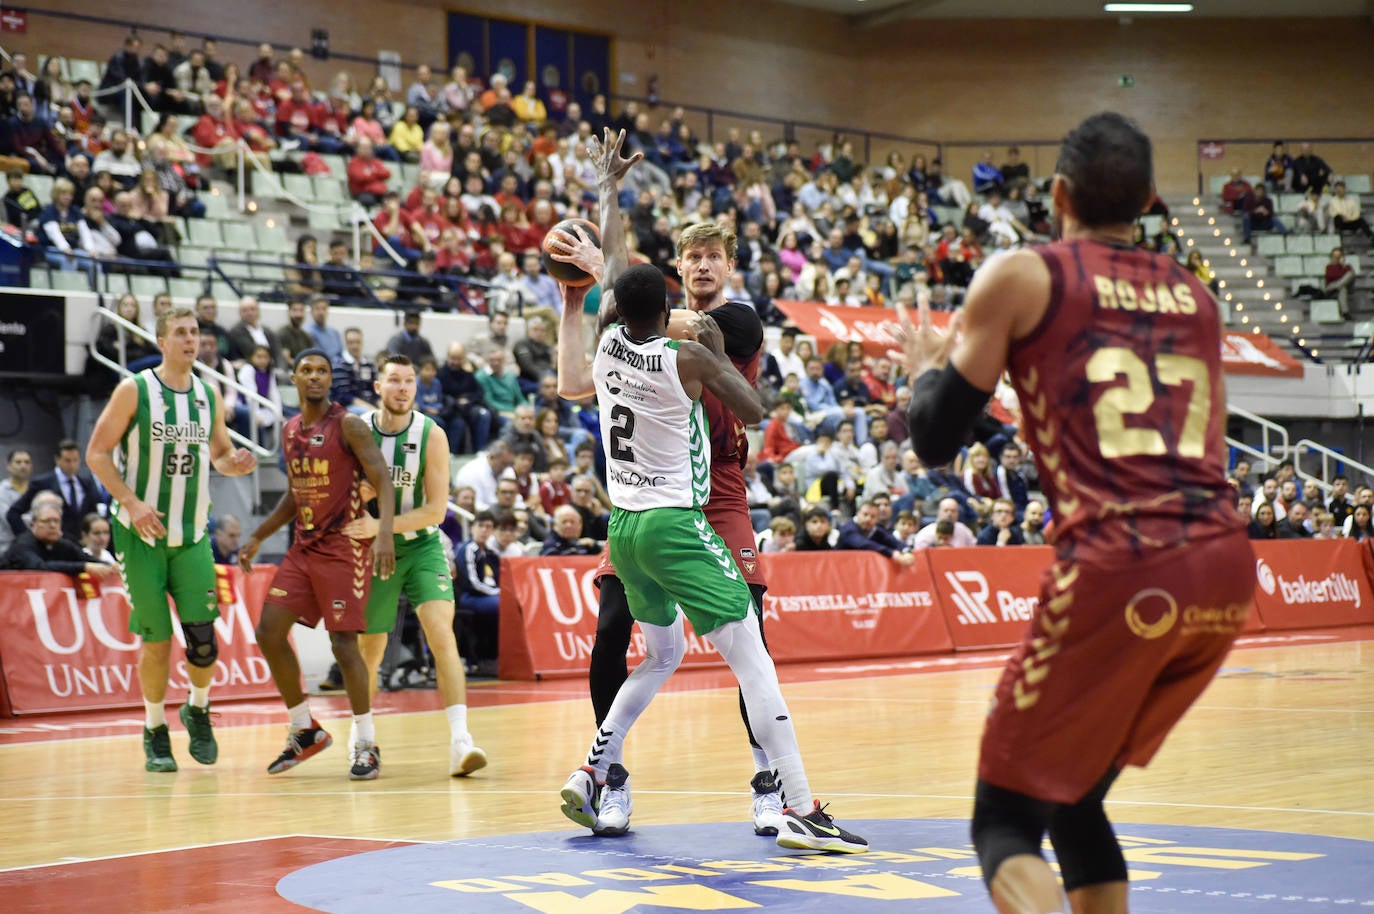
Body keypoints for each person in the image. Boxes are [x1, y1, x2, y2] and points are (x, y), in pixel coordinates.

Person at [899, 112, 1253, 914]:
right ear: (1153, 200)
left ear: (1057, 192)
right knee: (1074, 793)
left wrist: (923, 373)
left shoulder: (1024, 276)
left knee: (1004, 817)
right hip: (1228, 566)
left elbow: (934, 440)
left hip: (1126, 560)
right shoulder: (1196, 296)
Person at [554, 261, 866, 852]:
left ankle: (593, 767)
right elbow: (752, 409)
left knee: (661, 654)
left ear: (618, 310)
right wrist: (718, 352)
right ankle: (799, 804)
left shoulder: (606, 348)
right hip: (675, 524)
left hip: (623, 527)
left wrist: (604, 211)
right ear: (666, 305)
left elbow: (610, 301)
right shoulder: (687, 358)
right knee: (754, 657)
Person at [546, 129, 786, 836]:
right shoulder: (641, 326)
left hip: (720, 495)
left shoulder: (736, 323)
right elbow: (609, 330)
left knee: (752, 638)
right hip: (650, 494)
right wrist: (609, 196)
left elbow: (655, 310)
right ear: (679, 266)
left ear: (729, 265)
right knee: (612, 628)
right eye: (694, 257)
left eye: (715, 256)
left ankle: (768, 779)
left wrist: (605, 276)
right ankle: (608, 778)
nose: (704, 265)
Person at [85, 307, 257, 772]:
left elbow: (218, 455)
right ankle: (154, 729)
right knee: (158, 642)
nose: (189, 339)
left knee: (204, 642)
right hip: (139, 535)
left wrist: (233, 464)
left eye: (195, 332)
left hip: (191, 534)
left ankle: (197, 709)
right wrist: (132, 502)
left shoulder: (207, 395)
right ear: (161, 341)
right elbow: (96, 453)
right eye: (180, 332)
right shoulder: (134, 390)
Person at [239, 349, 396, 780]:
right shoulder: (290, 430)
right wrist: (258, 535)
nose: (315, 377)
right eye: (306, 371)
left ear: (330, 379)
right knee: (269, 631)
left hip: (344, 547)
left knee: (344, 646)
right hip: (303, 548)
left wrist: (383, 531)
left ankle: (365, 742)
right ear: (293, 378)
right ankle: (303, 727)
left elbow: (381, 475)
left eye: (322, 371)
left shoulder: (348, 424)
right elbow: (295, 494)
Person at [337, 353, 488, 777]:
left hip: (420, 546)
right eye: (394, 380)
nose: (403, 387)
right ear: (378, 386)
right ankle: (363, 740)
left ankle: (462, 741)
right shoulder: (356, 430)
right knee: (371, 650)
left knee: (442, 634)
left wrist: (379, 522)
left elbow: (436, 511)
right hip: (371, 552)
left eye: (410, 381)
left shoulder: (431, 434)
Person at [6, 439, 104, 544]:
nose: (72, 465)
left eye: (75, 460)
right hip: (53, 544)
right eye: (67, 460)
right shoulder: (42, 483)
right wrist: (29, 539)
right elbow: (13, 513)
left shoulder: (86, 484)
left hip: (82, 544)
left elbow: (93, 514)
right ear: (57, 460)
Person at [0, 447, 32, 557]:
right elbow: (8, 518)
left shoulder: (35, 490)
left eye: (27, 462)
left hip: (32, 548)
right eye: (18, 462)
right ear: (9, 466)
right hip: (6, 548)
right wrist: (35, 522)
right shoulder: (2, 491)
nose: (23, 466)